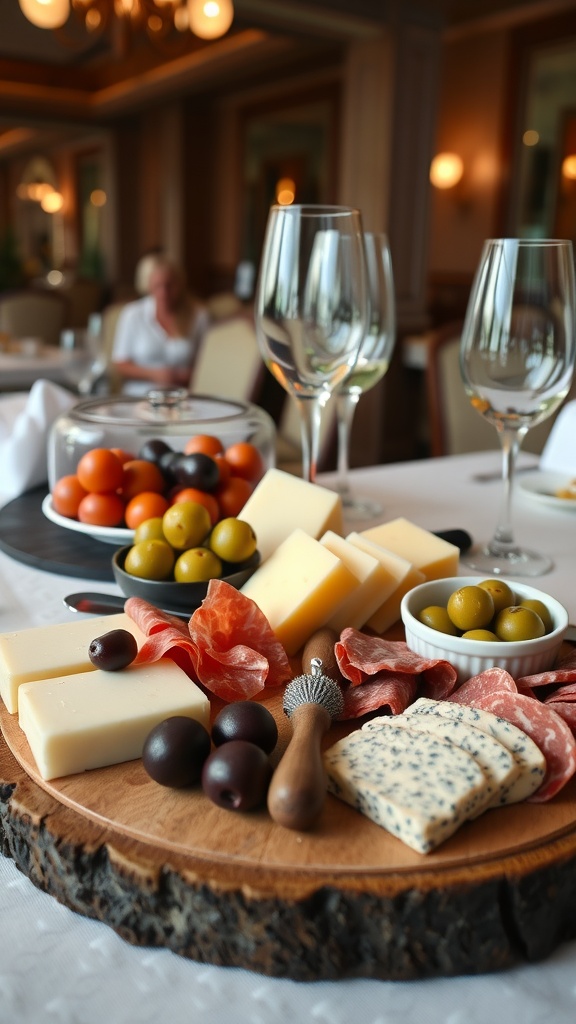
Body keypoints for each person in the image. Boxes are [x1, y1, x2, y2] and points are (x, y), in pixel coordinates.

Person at [111, 256, 210, 396]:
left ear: (180, 284)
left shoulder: (199, 315)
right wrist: (154, 374)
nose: (164, 293)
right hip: (139, 396)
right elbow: (120, 364)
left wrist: (178, 376)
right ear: (149, 286)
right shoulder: (132, 314)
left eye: (170, 285)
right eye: (158, 286)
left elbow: (208, 363)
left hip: (183, 397)